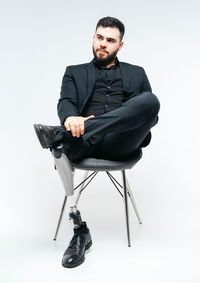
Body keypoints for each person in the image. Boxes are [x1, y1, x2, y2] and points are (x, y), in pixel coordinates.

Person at [34, 16, 160, 268]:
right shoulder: (74, 72)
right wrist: (70, 118)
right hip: (82, 141)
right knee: (62, 145)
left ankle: (60, 133)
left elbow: (146, 114)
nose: (103, 44)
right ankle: (79, 229)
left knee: (151, 102)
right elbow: (66, 101)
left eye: (110, 40)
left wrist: (78, 127)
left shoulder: (137, 73)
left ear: (120, 46)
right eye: (99, 37)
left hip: (120, 142)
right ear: (94, 38)